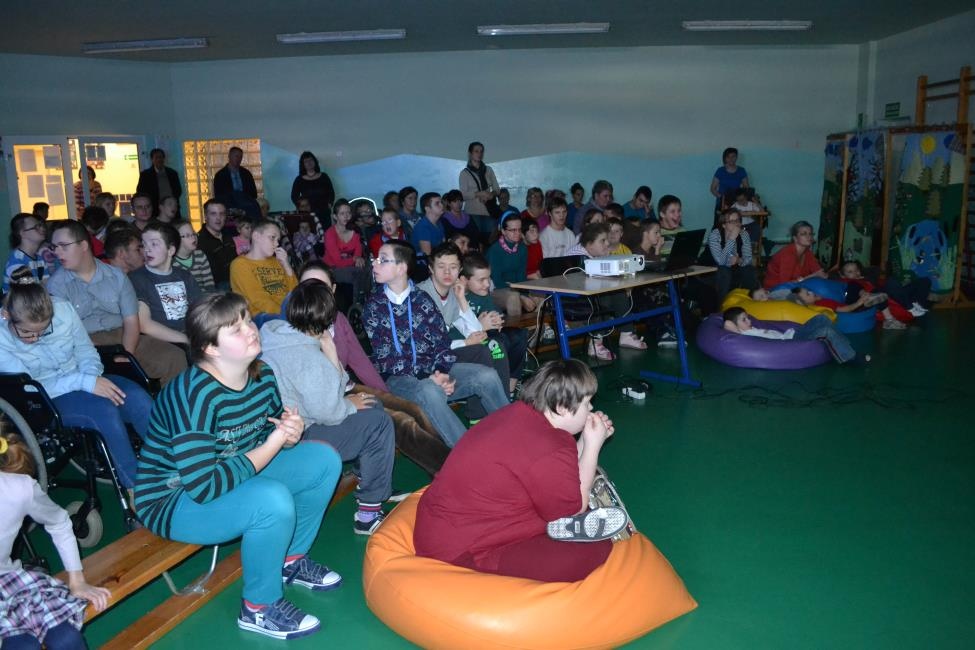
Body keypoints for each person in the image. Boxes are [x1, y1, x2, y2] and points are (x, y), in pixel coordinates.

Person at [134, 293, 343, 640]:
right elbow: (203, 487)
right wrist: (274, 443)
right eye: (235, 329)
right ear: (211, 349)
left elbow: (264, 431)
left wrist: (288, 433)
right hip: (173, 499)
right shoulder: (193, 396)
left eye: (247, 320)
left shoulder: (262, 375)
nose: (250, 330)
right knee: (271, 500)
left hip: (230, 472)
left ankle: (291, 560)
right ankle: (258, 607)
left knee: (323, 461)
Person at [414, 359, 619, 582]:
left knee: (562, 509)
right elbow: (575, 507)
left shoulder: (518, 413)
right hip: (459, 551)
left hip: (441, 524)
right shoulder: (549, 445)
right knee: (597, 549)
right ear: (561, 407)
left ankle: (553, 528)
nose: (591, 409)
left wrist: (585, 441)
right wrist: (593, 445)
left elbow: (558, 470)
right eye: (587, 402)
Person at [284, 261, 451, 476]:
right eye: (307, 285)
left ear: (332, 290)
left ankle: (448, 463)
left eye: (321, 286)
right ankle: (448, 471)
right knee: (400, 421)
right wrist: (347, 403)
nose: (314, 292)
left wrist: (387, 395)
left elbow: (360, 362)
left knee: (411, 409)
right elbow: (316, 399)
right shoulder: (297, 328)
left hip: (346, 387)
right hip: (328, 403)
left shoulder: (338, 319)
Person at [260, 280, 397, 536]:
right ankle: (368, 514)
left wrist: (330, 352)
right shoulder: (308, 356)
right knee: (379, 423)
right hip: (298, 438)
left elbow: (330, 391)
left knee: (372, 405)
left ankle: (369, 477)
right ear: (327, 318)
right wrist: (349, 404)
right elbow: (330, 413)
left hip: (280, 431)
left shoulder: (274, 335)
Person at [0, 284, 151, 489]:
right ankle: (136, 488)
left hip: (83, 376)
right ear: (7, 315)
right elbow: (29, 388)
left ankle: (169, 464)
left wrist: (91, 379)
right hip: (45, 397)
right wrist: (84, 383)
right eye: (26, 332)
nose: (35, 338)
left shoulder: (63, 309)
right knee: (103, 411)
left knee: (138, 399)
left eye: (44, 330)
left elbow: (85, 350)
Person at [363, 240, 509, 447]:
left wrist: (442, 372)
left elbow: (442, 343)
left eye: (383, 260)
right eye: (376, 259)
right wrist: (430, 377)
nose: (375, 263)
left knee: (487, 376)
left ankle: (513, 433)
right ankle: (467, 451)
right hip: (399, 380)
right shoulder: (373, 306)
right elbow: (387, 359)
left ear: (401, 267)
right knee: (428, 390)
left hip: (434, 372)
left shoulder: (422, 300)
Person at [1, 429, 111, 650]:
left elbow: (59, 521)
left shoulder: (19, 489)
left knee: (65, 638)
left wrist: (76, 579)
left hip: (7, 581)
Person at [47, 220, 187, 385]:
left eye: (63, 246)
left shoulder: (117, 276)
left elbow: (131, 321)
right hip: (84, 342)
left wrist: (126, 353)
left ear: (83, 245)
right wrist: (103, 353)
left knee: (174, 357)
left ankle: (169, 401)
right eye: (54, 247)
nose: (57, 252)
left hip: (123, 336)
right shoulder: (56, 284)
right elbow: (65, 332)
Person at [417, 244, 513, 398]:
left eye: (453, 267)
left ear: (460, 269)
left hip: (447, 351)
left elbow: (475, 332)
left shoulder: (452, 293)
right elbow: (429, 346)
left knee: (494, 345)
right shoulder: (419, 296)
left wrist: (461, 299)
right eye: (441, 266)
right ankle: (489, 405)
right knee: (482, 350)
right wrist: (465, 343)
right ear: (431, 269)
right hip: (425, 360)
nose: (447, 272)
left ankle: (503, 400)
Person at [567, 223, 646, 359]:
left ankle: (626, 334)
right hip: (575, 300)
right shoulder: (576, 256)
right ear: (589, 244)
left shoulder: (595, 253)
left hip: (591, 295)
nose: (607, 244)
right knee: (605, 295)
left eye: (607, 240)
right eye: (602, 241)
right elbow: (583, 285)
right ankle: (596, 343)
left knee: (618, 291)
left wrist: (607, 258)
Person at [460, 252, 529, 396]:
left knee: (519, 335)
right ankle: (499, 387)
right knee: (499, 342)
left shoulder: (484, 295)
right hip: (470, 341)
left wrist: (497, 320)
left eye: (488, 278)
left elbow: (495, 316)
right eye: (481, 280)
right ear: (465, 280)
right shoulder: (459, 298)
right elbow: (462, 330)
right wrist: (480, 324)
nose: (487, 284)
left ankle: (510, 387)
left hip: (488, 334)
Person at [128, 222, 202, 345]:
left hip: (191, 336)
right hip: (160, 342)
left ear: (171, 250)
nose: (147, 249)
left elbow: (200, 312)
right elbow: (144, 324)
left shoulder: (185, 276)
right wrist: (186, 340)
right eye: (144, 244)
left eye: (154, 244)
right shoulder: (136, 278)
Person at [722, 306, 865, 365]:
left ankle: (846, 346)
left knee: (822, 318)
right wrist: (733, 324)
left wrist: (742, 321)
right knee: (826, 331)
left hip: (793, 334)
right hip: (792, 342)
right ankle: (850, 357)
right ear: (735, 325)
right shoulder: (743, 333)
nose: (749, 321)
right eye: (744, 319)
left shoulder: (749, 327)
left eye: (748, 317)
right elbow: (728, 324)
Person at [230, 219, 297, 323]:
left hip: (288, 312)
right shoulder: (240, 264)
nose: (277, 243)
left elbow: (295, 292)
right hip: (260, 316)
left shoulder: (278, 261)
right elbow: (258, 300)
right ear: (256, 236)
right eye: (272, 238)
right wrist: (289, 315)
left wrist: (287, 265)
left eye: (278, 240)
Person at [486, 211, 539, 317]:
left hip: (515, 287)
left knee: (540, 293)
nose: (517, 233)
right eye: (513, 230)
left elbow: (521, 276)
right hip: (496, 290)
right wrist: (521, 296)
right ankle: (517, 327)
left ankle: (536, 325)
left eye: (519, 229)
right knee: (513, 297)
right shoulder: (495, 250)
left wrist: (525, 294)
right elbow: (497, 281)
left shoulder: (522, 248)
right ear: (503, 231)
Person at [840, 260, 930, 319]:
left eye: (856, 270)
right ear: (843, 276)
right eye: (850, 272)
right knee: (891, 282)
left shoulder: (865, 278)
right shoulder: (851, 284)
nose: (855, 273)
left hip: (896, 296)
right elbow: (864, 296)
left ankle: (918, 305)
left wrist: (865, 278)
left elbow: (876, 270)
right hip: (887, 299)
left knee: (925, 281)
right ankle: (911, 308)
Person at [324, 199, 370, 301]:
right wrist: (355, 259)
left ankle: (368, 299)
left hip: (351, 266)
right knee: (355, 273)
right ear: (335, 216)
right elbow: (338, 261)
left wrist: (357, 259)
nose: (346, 216)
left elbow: (358, 255)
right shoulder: (330, 234)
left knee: (368, 267)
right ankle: (356, 303)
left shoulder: (355, 231)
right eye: (342, 213)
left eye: (348, 213)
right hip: (332, 268)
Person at [708, 209, 757, 302]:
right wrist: (731, 238)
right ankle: (722, 305)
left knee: (749, 270)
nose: (736, 224)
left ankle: (750, 301)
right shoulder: (715, 235)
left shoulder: (744, 234)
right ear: (723, 225)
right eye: (731, 221)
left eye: (738, 220)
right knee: (724, 271)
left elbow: (748, 259)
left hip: (735, 268)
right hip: (713, 270)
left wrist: (738, 260)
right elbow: (721, 261)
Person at [764, 220, 827, 288]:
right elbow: (785, 284)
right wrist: (813, 276)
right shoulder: (787, 254)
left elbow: (818, 271)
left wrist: (822, 274)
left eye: (810, 234)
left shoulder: (807, 253)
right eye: (804, 234)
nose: (809, 237)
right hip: (776, 289)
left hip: (796, 287)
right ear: (795, 238)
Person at [459, 141, 500, 240]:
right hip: (472, 213)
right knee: (475, 241)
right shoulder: (464, 173)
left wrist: (491, 194)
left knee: (490, 241)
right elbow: (463, 195)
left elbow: (497, 189)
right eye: (476, 151)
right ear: (470, 153)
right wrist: (479, 194)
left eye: (481, 151)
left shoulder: (489, 170)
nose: (479, 154)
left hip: (489, 211)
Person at [196, 199, 238, 290]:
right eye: (213, 214)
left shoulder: (228, 236)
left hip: (235, 282)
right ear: (206, 216)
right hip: (215, 289)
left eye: (222, 214)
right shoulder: (199, 241)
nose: (218, 218)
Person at [4, 213, 50, 292]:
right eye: (37, 227)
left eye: (41, 225)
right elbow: (27, 295)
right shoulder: (16, 262)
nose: (42, 228)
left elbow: (46, 286)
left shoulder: (39, 259)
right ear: (23, 233)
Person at [290, 151, 335, 230]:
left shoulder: (324, 176)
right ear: (303, 164)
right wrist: (301, 207)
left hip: (324, 212)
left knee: (325, 233)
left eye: (311, 160)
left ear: (315, 161)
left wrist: (330, 204)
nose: (309, 163)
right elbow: (294, 196)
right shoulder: (299, 179)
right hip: (308, 213)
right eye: (306, 161)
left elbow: (331, 192)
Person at [213, 146, 260, 219]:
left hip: (246, 202)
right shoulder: (220, 175)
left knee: (254, 207)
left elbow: (254, 193)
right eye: (236, 156)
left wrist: (244, 198)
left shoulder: (246, 173)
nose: (238, 159)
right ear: (229, 156)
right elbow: (219, 196)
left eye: (240, 157)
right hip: (229, 204)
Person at [136, 149, 182, 218]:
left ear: (164, 158)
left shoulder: (172, 173)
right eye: (156, 157)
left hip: (172, 207)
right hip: (154, 209)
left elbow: (178, 191)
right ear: (152, 159)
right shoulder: (145, 175)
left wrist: (171, 202)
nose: (159, 159)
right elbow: (140, 192)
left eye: (161, 157)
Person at [173, 220, 215, 292]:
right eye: (187, 235)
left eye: (194, 233)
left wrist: (210, 296)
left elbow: (209, 283)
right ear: (176, 240)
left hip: (205, 296)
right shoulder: (171, 262)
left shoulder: (200, 255)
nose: (193, 237)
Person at [411, 192, 447, 268]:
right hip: (424, 266)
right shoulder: (422, 227)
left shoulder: (439, 223)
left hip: (438, 260)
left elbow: (444, 246)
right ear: (427, 209)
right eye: (437, 203)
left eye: (441, 202)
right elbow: (427, 256)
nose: (442, 205)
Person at [710, 147, 749, 213]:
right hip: (722, 203)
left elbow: (746, 187)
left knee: (735, 219)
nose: (731, 159)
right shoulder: (720, 171)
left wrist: (741, 199)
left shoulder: (741, 171)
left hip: (737, 203)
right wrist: (722, 197)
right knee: (720, 219)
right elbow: (712, 188)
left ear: (736, 157)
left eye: (733, 156)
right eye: (728, 157)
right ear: (725, 158)